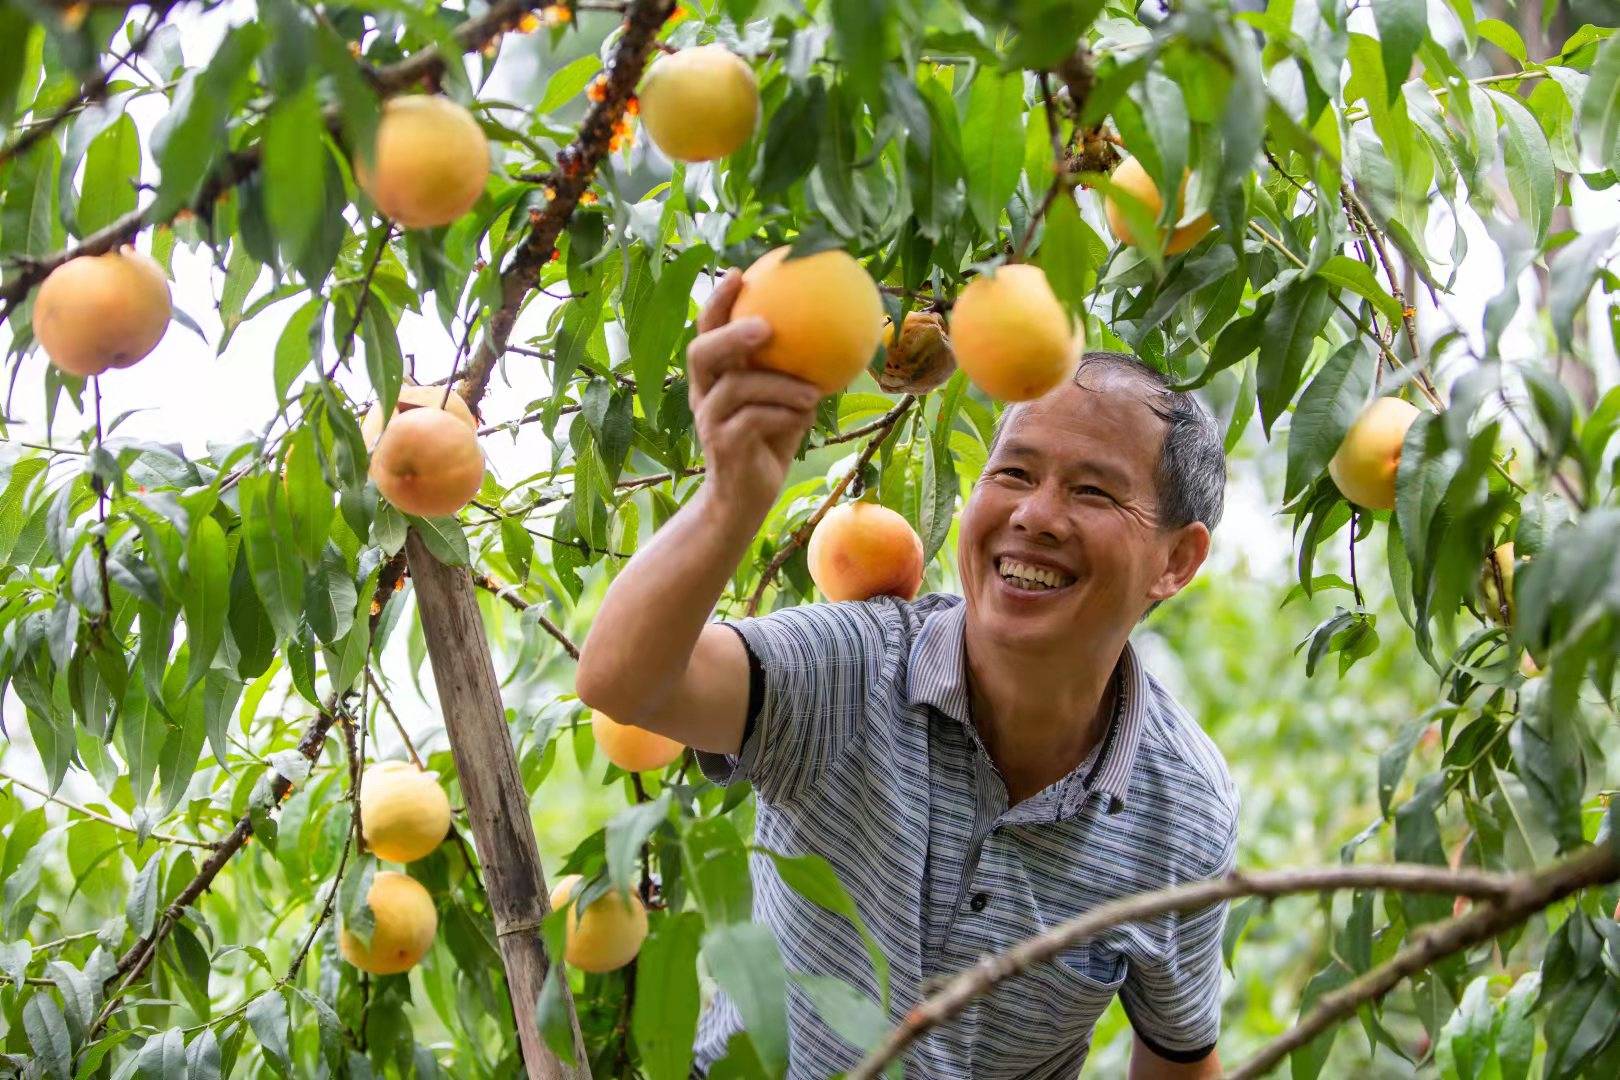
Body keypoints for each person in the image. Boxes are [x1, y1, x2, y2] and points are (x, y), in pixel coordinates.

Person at [575, 266, 1237, 1079]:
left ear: (1177, 559)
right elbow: (624, 680)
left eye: (1093, 491)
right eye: (1014, 474)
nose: (1034, 515)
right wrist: (730, 499)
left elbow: (1180, 1055)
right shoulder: (854, 670)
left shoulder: (1184, 807)